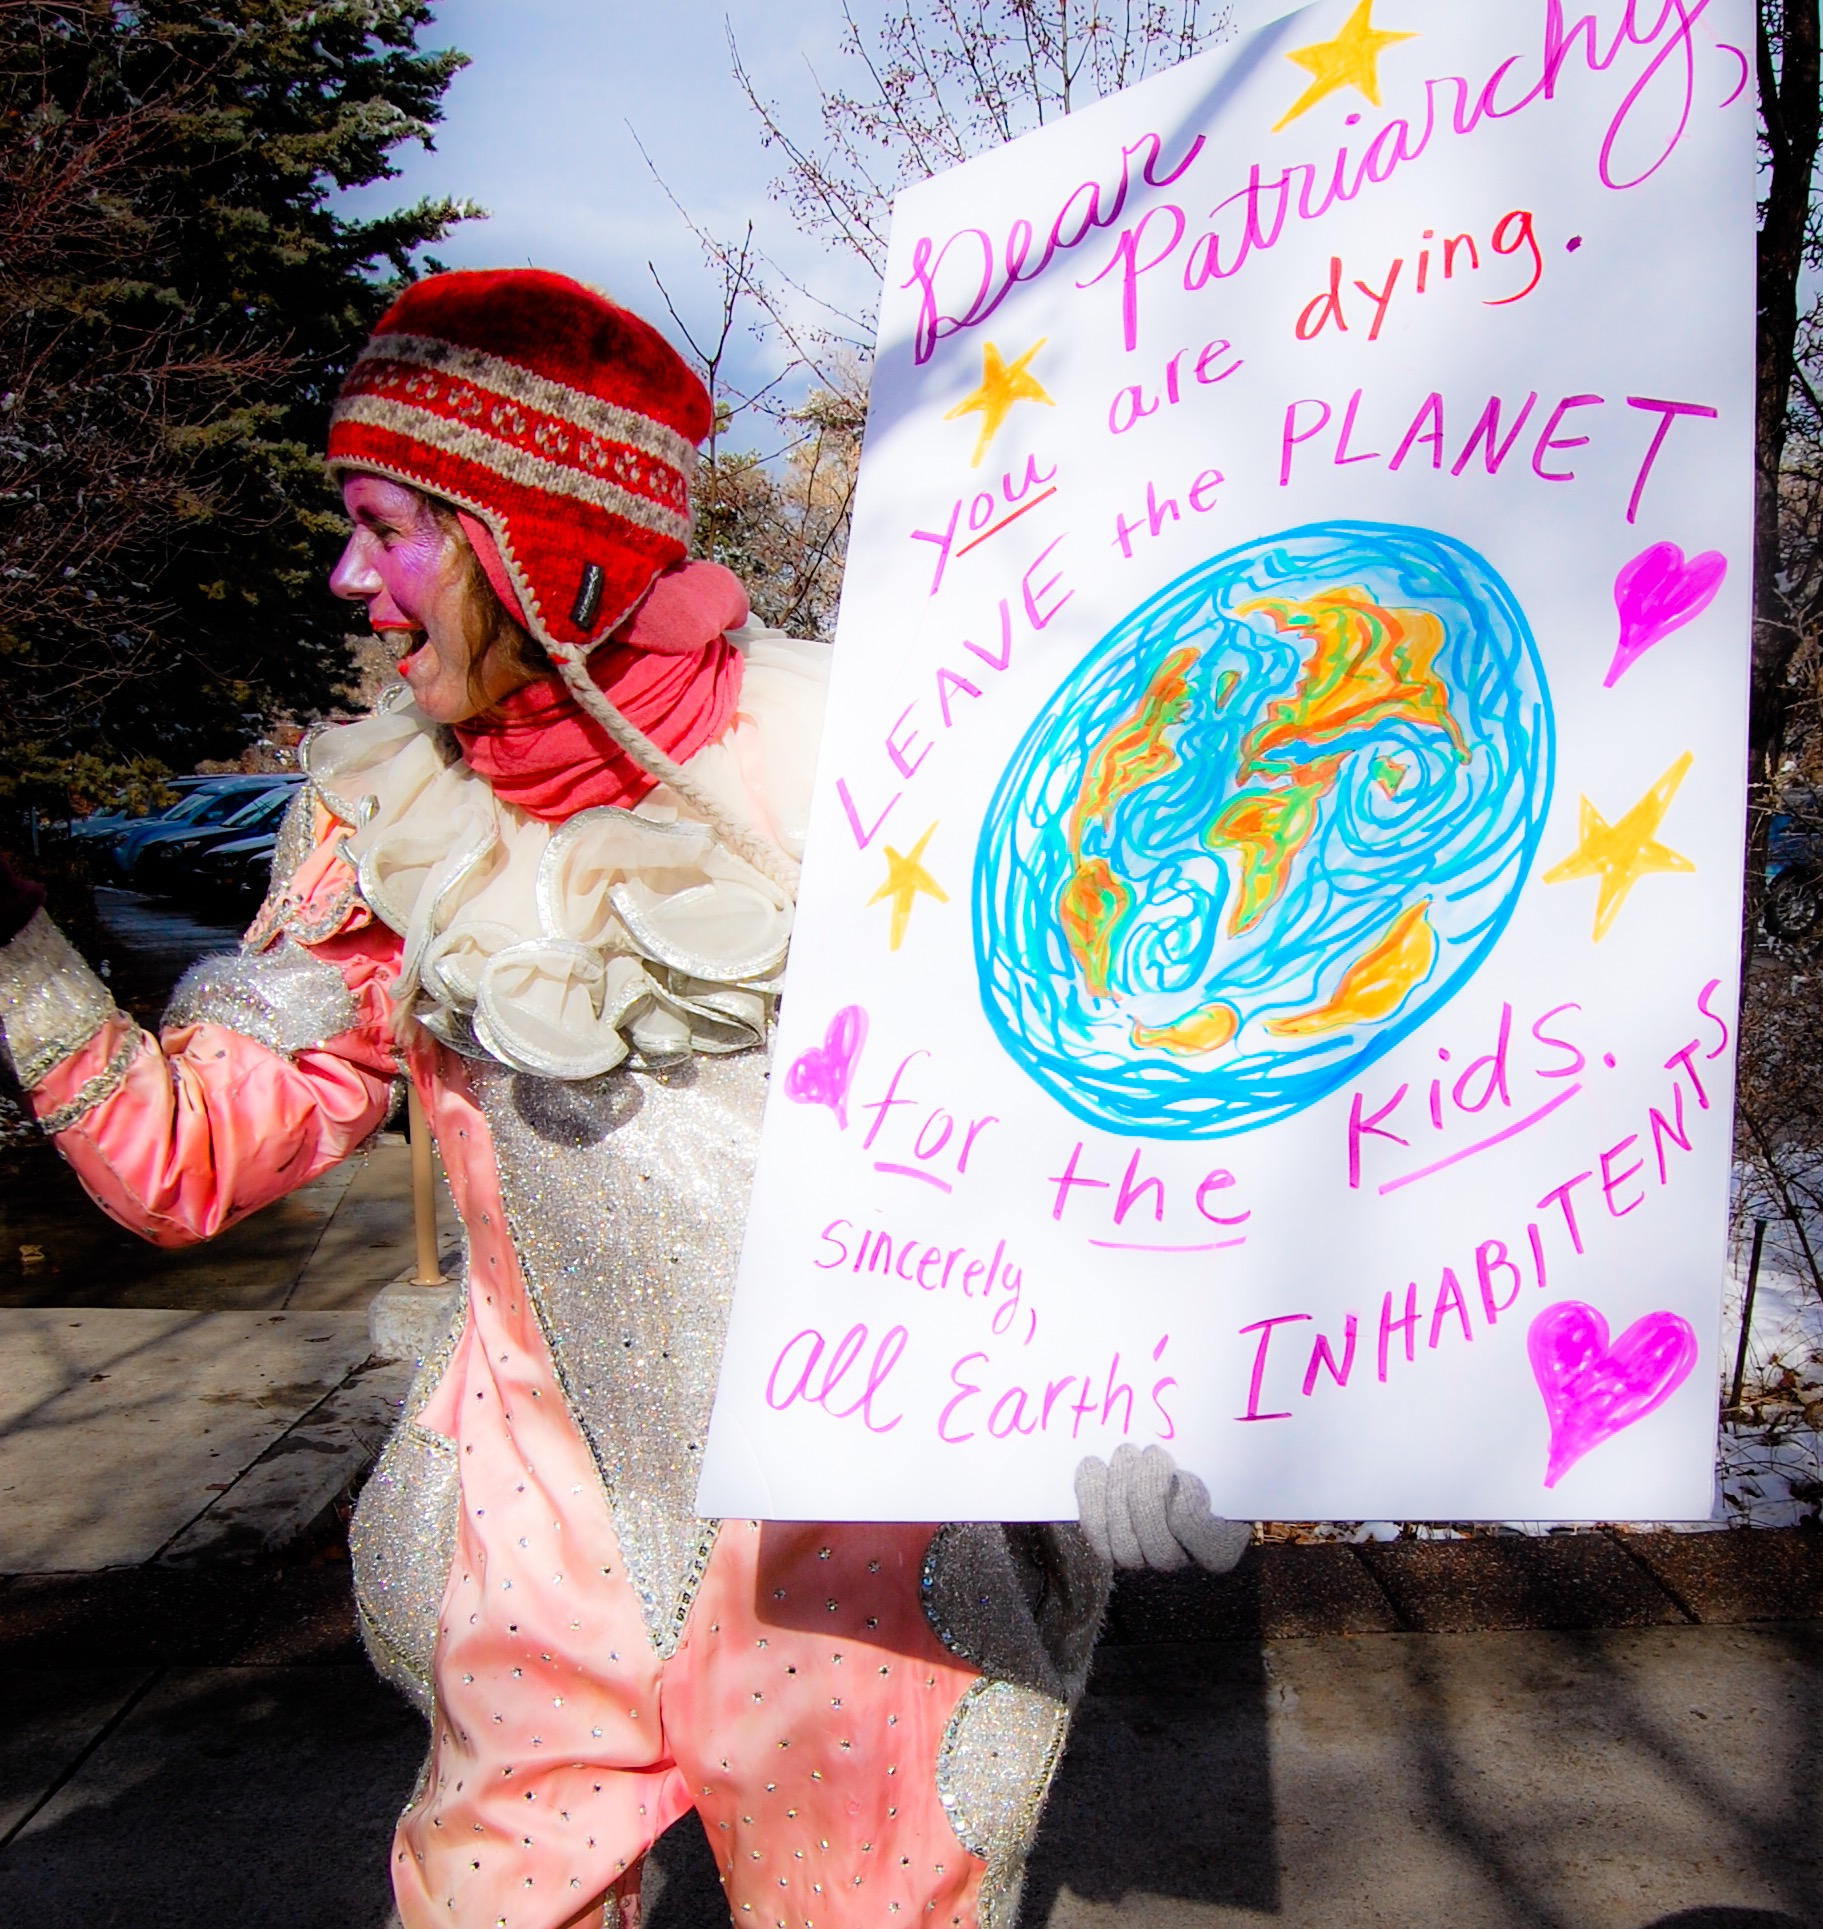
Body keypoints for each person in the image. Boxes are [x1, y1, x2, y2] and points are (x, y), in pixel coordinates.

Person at [0, 269, 1246, 1929]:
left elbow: (1086, 1117)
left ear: (531, 534)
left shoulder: (873, 768)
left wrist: (1149, 1391)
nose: (350, 579)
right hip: (534, 1558)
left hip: (858, 1565)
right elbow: (189, 1160)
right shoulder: (386, 818)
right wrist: (17, 952)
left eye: (388, 528)